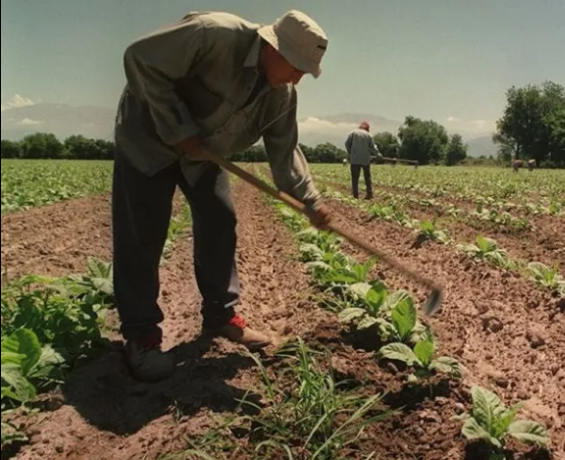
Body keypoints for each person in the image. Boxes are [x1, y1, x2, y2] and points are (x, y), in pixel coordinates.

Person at [113, 10, 332, 382]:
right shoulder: (212, 34)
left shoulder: (281, 94)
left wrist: (311, 201)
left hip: (203, 155)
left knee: (219, 219)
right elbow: (139, 58)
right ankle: (142, 336)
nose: (297, 76)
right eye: (295, 65)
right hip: (147, 143)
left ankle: (221, 315)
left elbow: (285, 152)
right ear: (271, 47)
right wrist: (177, 126)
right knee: (142, 234)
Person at [345, 121, 380, 199]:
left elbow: (347, 144)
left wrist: (351, 152)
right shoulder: (369, 135)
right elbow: (373, 147)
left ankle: (355, 195)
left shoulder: (353, 133)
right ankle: (369, 193)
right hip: (365, 160)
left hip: (355, 159)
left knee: (355, 177)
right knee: (367, 177)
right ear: (367, 129)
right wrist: (378, 155)